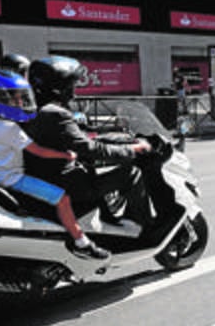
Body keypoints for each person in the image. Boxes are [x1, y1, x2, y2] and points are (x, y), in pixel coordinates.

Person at [0, 70, 109, 260]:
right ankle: (82, 243)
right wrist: (65, 154)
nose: (21, 103)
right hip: (11, 178)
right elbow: (38, 150)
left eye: (22, 98)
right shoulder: (9, 128)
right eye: (15, 99)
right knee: (62, 198)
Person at [25, 56, 158, 229]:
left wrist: (123, 140)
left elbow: (79, 138)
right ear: (58, 88)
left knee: (93, 166)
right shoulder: (55, 113)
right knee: (131, 174)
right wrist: (133, 149)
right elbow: (89, 148)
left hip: (47, 177)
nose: (74, 91)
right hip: (67, 183)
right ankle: (145, 228)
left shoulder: (35, 109)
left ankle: (109, 219)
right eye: (71, 85)